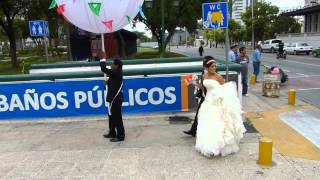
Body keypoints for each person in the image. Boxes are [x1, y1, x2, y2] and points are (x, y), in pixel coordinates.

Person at [191, 59, 246, 157]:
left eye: (215, 66)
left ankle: (217, 145)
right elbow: (202, 87)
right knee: (206, 123)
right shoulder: (204, 76)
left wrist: (222, 100)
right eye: (212, 66)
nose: (214, 68)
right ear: (207, 67)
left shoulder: (218, 77)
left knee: (217, 123)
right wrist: (192, 83)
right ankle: (206, 144)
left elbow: (225, 89)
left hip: (216, 103)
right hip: (207, 102)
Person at [99, 51, 125, 142]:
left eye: (113, 64)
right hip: (112, 98)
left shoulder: (117, 71)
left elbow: (104, 69)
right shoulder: (115, 73)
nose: (111, 65)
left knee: (117, 117)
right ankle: (112, 132)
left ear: (116, 65)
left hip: (116, 99)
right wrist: (106, 83)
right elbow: (112, 83)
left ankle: (120, 136)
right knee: (111, 116)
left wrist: (102, 59)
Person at [183, 56, 213, 137]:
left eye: (204, 62)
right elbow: (202, 86)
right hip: (204, 97)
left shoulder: (214, 73)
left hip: (211, 98)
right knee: (199, 114)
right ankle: (193, 130)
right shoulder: (204, 72)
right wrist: (192, 82)